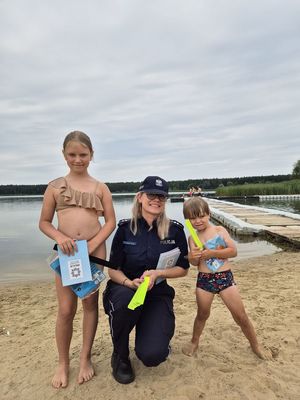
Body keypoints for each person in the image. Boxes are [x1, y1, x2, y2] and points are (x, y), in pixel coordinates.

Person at [39, 131, 116, 388]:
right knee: (65, 309)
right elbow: (44, 223)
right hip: (69, 254)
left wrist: (94, 243)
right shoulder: (54, 187)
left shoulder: (100, 187)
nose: (77, 159)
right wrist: (60, 237)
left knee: (90, 304)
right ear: (64, 155)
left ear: (91, 155)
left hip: (94, 252)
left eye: (83, 155)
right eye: (72, 155)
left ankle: (85, 358)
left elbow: (111, 222)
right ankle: (63, 363)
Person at [103, 176, 190, 384]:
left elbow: (183, 269)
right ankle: (120, 356)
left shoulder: (175, 230)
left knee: (153, 356)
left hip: (157, 294)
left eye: (162, 196)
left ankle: (153, 333)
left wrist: (159, 274)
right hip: (125, 290)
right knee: (125, 300)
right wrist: (128, 282)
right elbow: (112, 270)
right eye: (152, 195)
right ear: (140, 197)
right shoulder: (125, 229)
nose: (157, 200)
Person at [182, 197, 271, 360]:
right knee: (202, 314)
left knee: (240, 315)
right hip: (204, 279)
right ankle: (194, 341)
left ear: (208, 214)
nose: (198, 221)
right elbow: (195, 263)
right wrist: (191, 256)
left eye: (201, 216)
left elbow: (233, 251)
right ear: (188, 220)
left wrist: (213, 252)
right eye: (192, 218)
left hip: (225, 278)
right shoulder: (192, 238)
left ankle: (255, 344)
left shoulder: (219, 230)